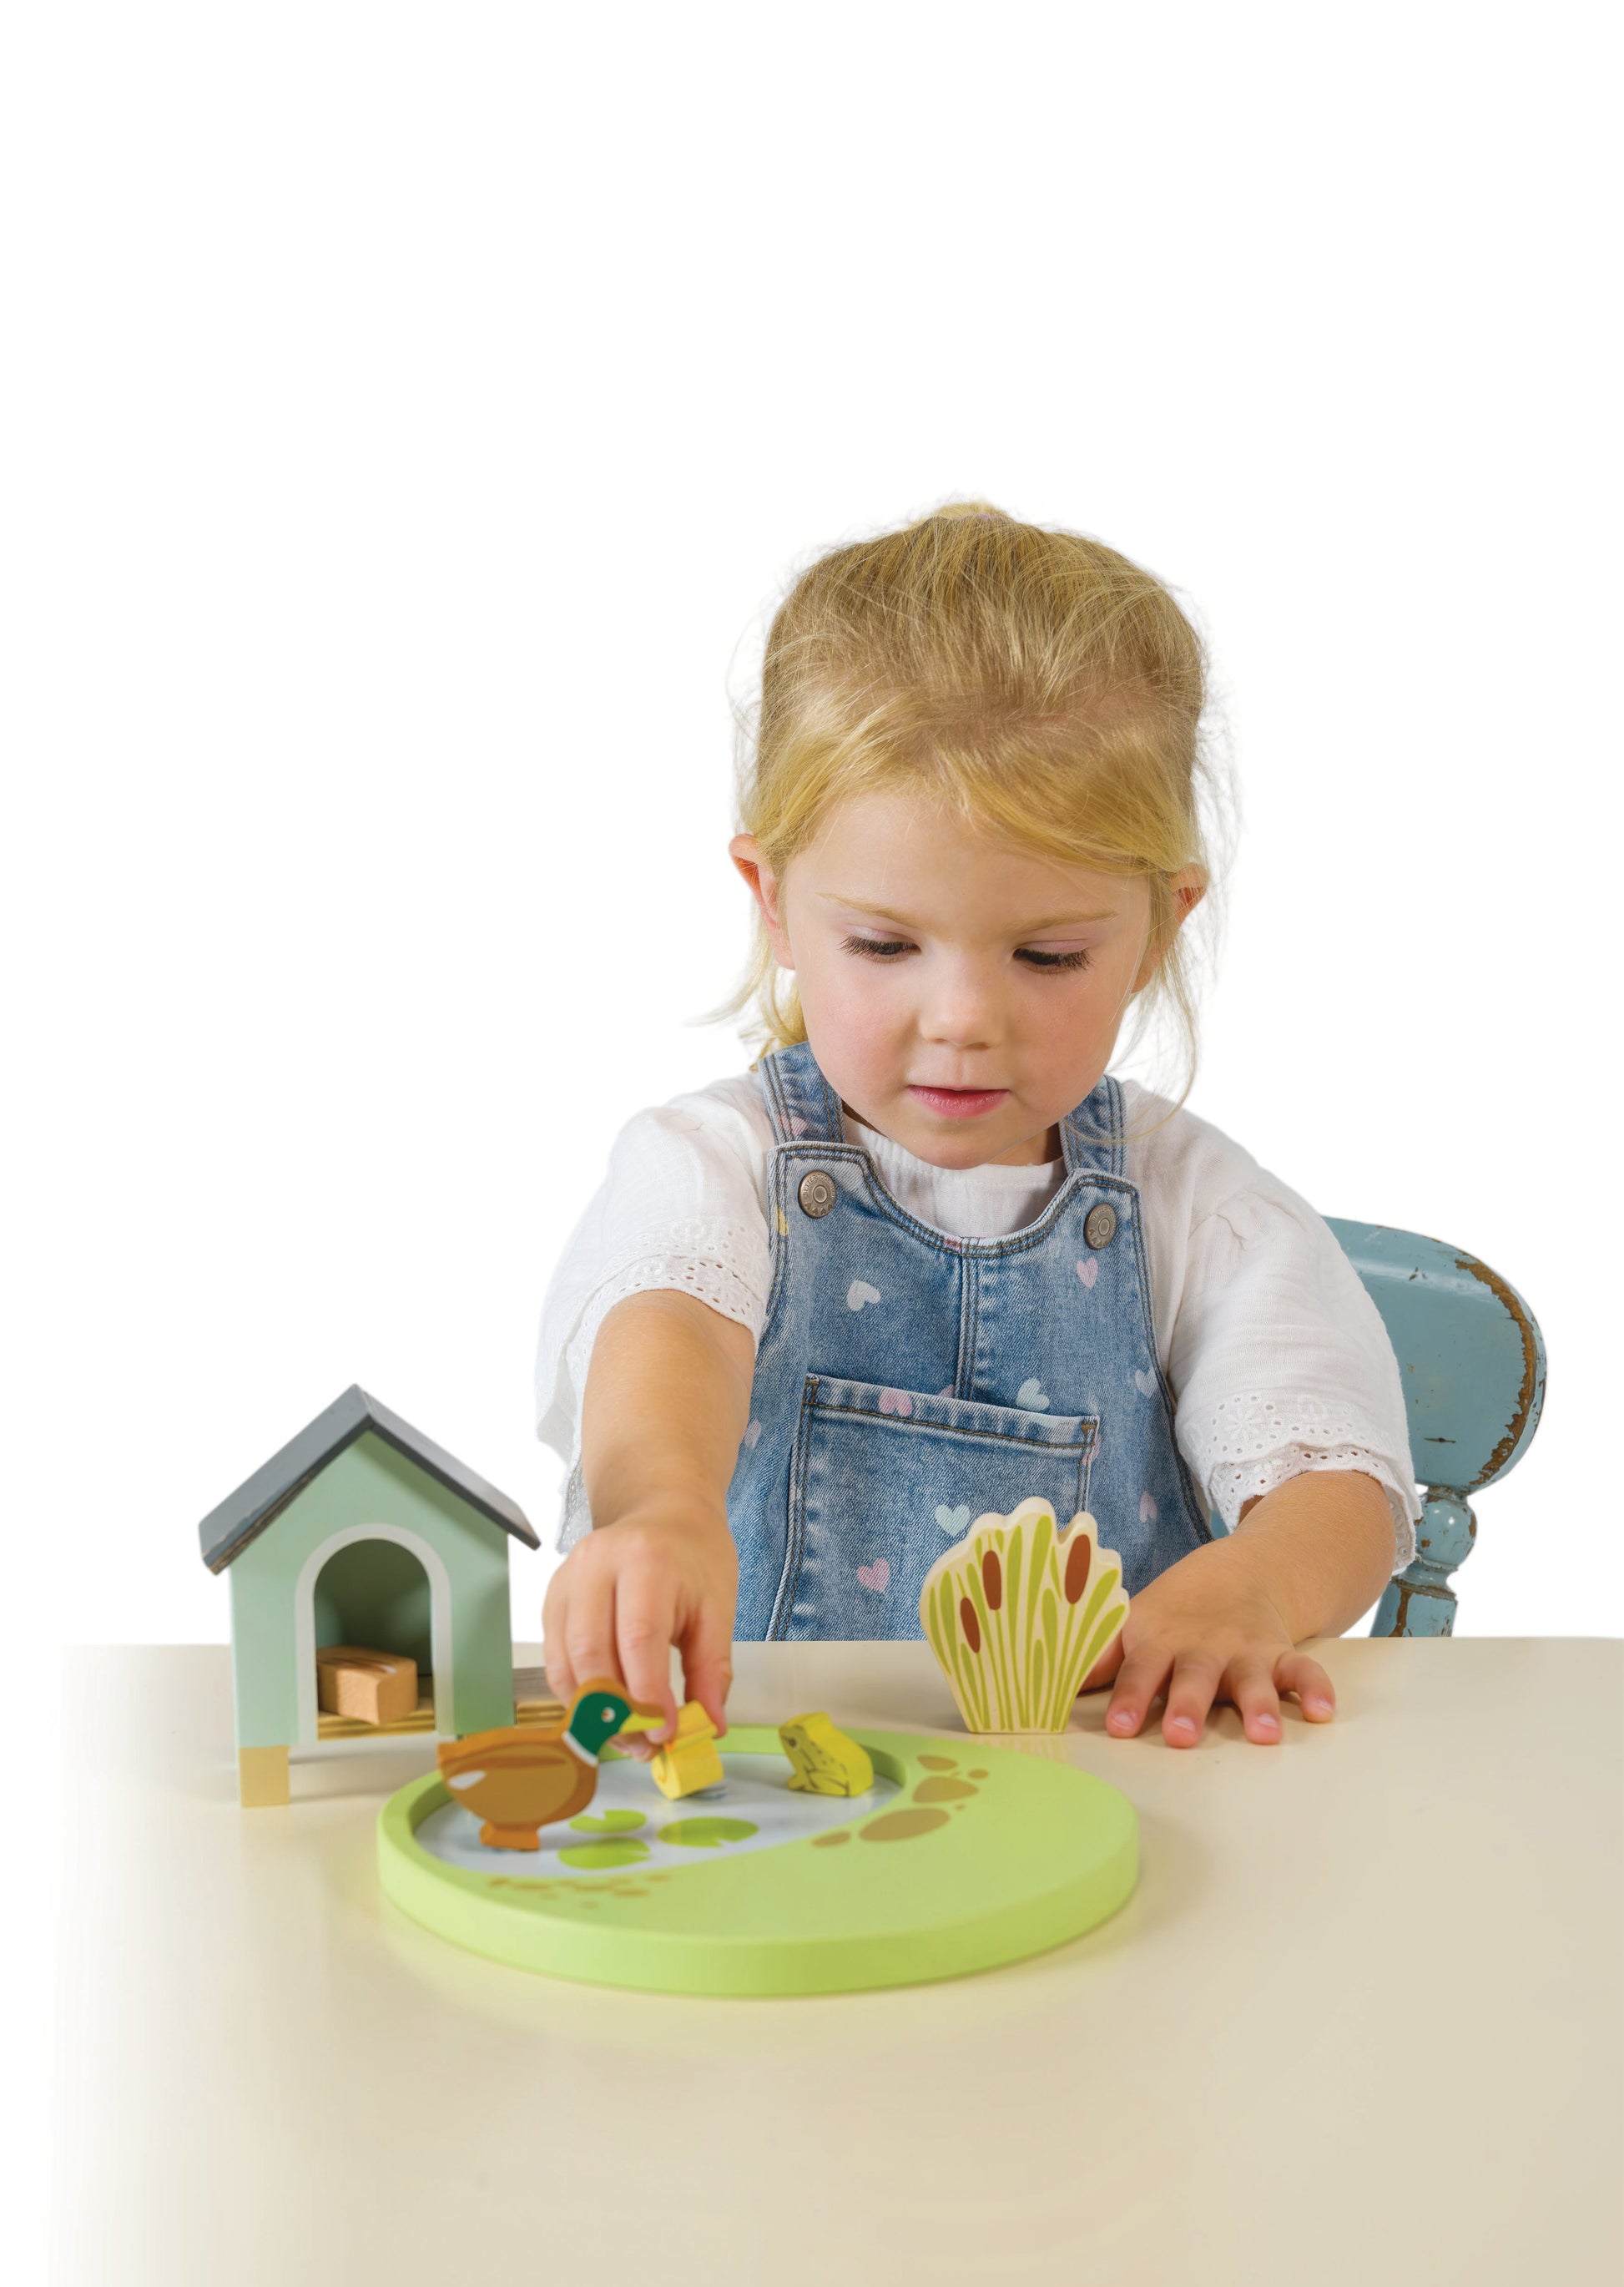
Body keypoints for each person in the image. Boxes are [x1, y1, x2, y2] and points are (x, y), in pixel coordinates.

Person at [535, 504, 1419, 1750]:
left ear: (1160, 927)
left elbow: (1336, 1481)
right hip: (757, 1797)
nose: (961, 1020)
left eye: (1048, 954)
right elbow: (669, 1336)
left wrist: (1255, 1584)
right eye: (884, 945)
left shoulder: (1191, 1208)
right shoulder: (713, 1168)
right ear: (774, 903)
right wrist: (660, 1505)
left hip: (1113, 1804)